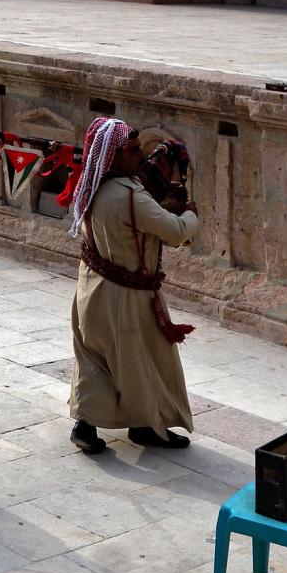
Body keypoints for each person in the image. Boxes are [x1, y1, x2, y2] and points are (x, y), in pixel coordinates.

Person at [67, 117, 200, 454]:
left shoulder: (91, 185)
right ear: (113, 156)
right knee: (143, 360)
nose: (140, 156)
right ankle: (146, 425)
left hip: (90, 288)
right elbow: (174, 230)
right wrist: (191, 215)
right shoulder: (129, 196)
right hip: (126, 297)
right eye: (132, 150)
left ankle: (85, 424)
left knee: (94, 359)